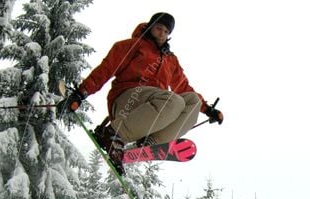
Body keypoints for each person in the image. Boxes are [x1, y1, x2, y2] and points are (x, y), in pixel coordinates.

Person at [64, 12, 223, 173]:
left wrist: (208, 110)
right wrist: (81, 93)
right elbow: (106, 69)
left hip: (153, 109)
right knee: (175, 101)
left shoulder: (170, 61)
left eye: (166, 32)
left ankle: (149, 142)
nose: (162, 34)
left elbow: (184, 87)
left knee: (192, 101)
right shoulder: (132, 46)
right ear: (150, 27)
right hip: (127, 100)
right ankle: (114, 134)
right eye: (159, 28)